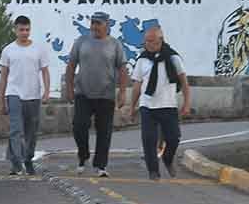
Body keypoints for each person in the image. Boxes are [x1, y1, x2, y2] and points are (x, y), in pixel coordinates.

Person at [63, 10, 127, 177]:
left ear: (107, 25)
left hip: (106, 94)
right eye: (93, 23)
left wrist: (122, 92)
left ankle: (101, 166)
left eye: (98, 23)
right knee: (79, 126)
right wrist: (69, 87)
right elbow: (71, 65)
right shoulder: (81, 41)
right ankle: (83, 155)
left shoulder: (115, 44)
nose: (94, 26)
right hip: (83, 92)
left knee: (104, 131)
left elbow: (122, 68)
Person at [127, 26, 190, 180]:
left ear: (160, 40)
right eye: (146, 41)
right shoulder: (142, 60)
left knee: (173, 138)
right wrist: (132, 106)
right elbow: (137, 86)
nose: (148, 44)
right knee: (149, 139)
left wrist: (187, 103)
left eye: (151, 41)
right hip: (147, 105)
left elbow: (184, 82)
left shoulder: (173, 58)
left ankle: (168, 159)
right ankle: (153, 170)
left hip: (168, 105)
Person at [0, 16, 50, 176]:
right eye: (21, 29)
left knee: (31, 132)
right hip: (14, 94)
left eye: (27, 29)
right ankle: (16, 162)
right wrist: (1, 99)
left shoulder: (38, 49)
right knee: (16, 130)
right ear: (15, 30)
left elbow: (45, 71)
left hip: (33, 95)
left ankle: (28, 159)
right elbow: (4, 76)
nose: (24, 33)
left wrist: (46, 91)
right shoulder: (8, 50)